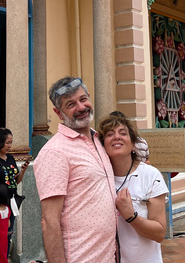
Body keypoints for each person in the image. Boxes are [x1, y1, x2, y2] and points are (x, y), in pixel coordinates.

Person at [34, 77, 117, 263]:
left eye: (83, 99)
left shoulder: (99, 140)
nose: (81, 107)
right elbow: (49, 221)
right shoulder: (55, 152)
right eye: (71, 104)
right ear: (58, 112)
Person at [99, 114, 168, 263]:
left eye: (123, 133)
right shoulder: (98, 178)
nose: (116, 137)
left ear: (133, 145)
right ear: (103, 145)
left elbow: (159, 233)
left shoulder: (150, 175)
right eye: (110, 134)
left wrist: (131, 216)